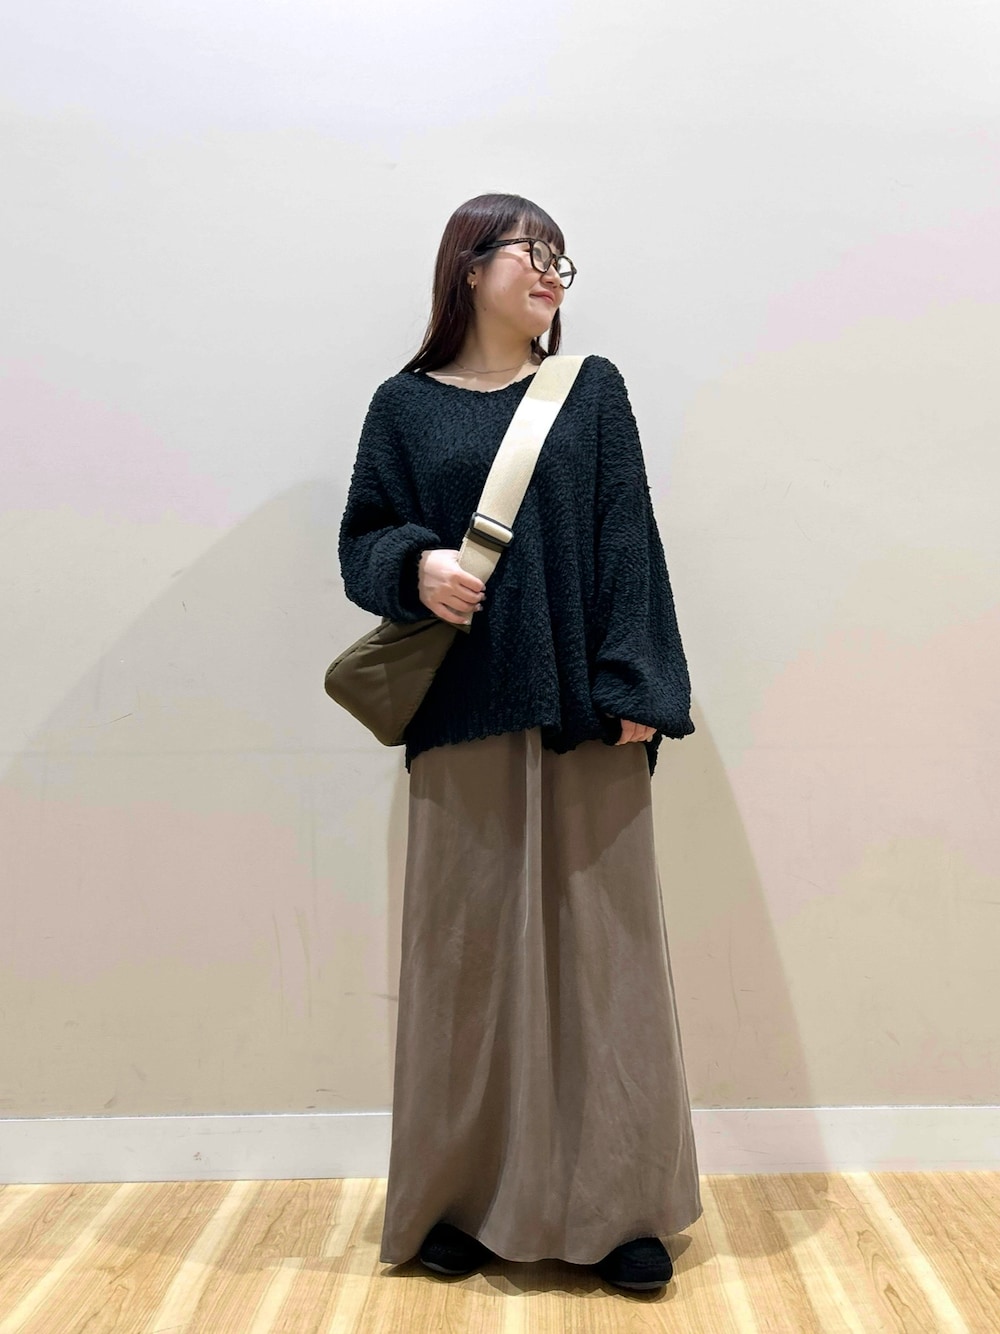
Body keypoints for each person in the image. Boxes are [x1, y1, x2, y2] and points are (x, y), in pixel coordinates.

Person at [337, 193, 702, 1292]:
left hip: (587, 715)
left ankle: (621, 1206)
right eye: (529, 252)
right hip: (461, 715)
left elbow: (626, 534)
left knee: (607, 963)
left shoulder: (591, 391)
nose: (550, 272)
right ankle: (456, 1201)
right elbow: (361, 539)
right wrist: (415, 563)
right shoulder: (402, 407)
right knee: (463, 967)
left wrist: (639, 681)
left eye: (560, 259)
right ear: (468, 266)